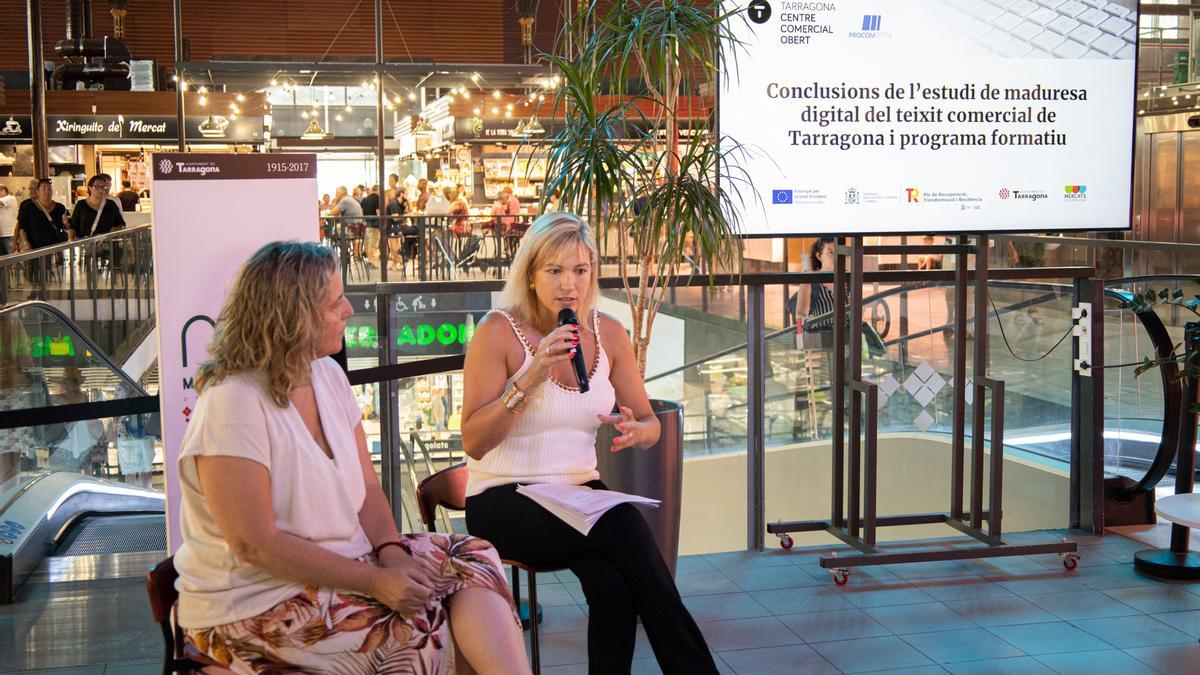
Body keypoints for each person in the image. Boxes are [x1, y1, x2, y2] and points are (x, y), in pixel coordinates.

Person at [173, 241, 529, 673]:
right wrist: (377, 581)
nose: (348, 310)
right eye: (334, 302)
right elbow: (255, 544)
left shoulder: (326, 376)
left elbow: (367, 489)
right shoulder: (234, 402)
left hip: (350, 564)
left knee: (475, 557)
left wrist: (392, 552)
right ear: (292, 317)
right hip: (256, 602)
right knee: (426, 633)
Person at [461, 213, 720, 674]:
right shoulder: (498, 332)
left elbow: (648, 422)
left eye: (580, 270)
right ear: (531, 274)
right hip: (504, 497)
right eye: (555, 271)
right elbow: (476, 441)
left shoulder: (609, 333)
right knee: (625, 524)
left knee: (613, 583)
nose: (569, 285)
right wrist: (534, 375)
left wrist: (640, 431)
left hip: (579, 497)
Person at [791, 237, 837, 349]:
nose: (836, 257)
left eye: (839, 252)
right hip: (820, 340)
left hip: (846, 338)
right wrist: (800, 343)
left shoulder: (849, 278)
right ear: (819, 256)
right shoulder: (811, 279)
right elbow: (800, 315)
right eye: (830, 252)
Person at [15, 178, 68, 251]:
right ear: (38, 191)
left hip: (56, 248)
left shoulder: (60, 207)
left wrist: (66, 224)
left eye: (49, 189)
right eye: (44, 189)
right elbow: (22, 227)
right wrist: (25, 242)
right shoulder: (28, 207)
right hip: (35, 249)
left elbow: (67, 227)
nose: (47, 191)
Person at [70, 174, 126, 238]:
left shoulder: (111, 204)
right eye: (97, 187)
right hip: (86, 244)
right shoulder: (81, 205)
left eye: (103, 187)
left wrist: (116, 229)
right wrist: (71, 243)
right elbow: (73, 226)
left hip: (107, 244)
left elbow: (122, 224)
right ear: (90, 187)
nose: (101, 190)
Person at [360, 184, 381, 267]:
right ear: (378, 190)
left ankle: (369, 260)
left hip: (366, 223)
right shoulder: (378, 198)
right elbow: (378, 212)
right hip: (375, 224)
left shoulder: (365, 199)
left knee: (367, 243)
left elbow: (361, 211)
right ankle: (372, 261)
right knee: (374, 243)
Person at [0, 184, 16, 254]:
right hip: (2, 234)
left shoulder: (11, 198)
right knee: (4, 261)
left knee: (14, 260)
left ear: (3, 191)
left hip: (9, 235)